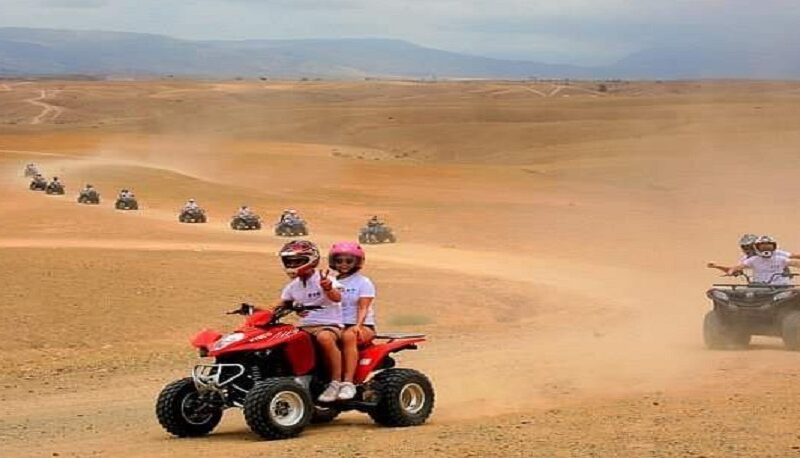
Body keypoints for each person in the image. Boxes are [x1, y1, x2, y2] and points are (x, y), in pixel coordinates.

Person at [275, 240, 344, 402]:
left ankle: (336, 382)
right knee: (287, 339)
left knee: (324, 338)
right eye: (290, 261)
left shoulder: (327, 279)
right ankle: (302, 375)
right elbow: (278, 305)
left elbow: (337, 297)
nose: (293, 265)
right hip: (304, 327)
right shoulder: (292, 286)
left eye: (298, 261)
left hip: (328, 324)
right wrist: (256, 310)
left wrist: (327, 287)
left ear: (311, 260)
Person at [329, 241, 376, 400]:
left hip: (362, 325)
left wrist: (358, 325)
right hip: (337, 324)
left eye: (349, 261)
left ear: (357, 262)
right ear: (333, 262)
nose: (343, 264)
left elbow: (363, 307)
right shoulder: (331, 282)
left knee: (349, 336)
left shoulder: (363, 282)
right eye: (339, 261)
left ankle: (348, 383)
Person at [717, 236, 800, 285]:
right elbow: (737, 268)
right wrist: (731, 271)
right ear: (757, 248)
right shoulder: (751, 260)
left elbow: (795, 261)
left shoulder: (780, 257)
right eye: (745, 248)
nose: (748, 250)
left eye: (769, 247)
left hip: (781, 285)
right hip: (759, 286)